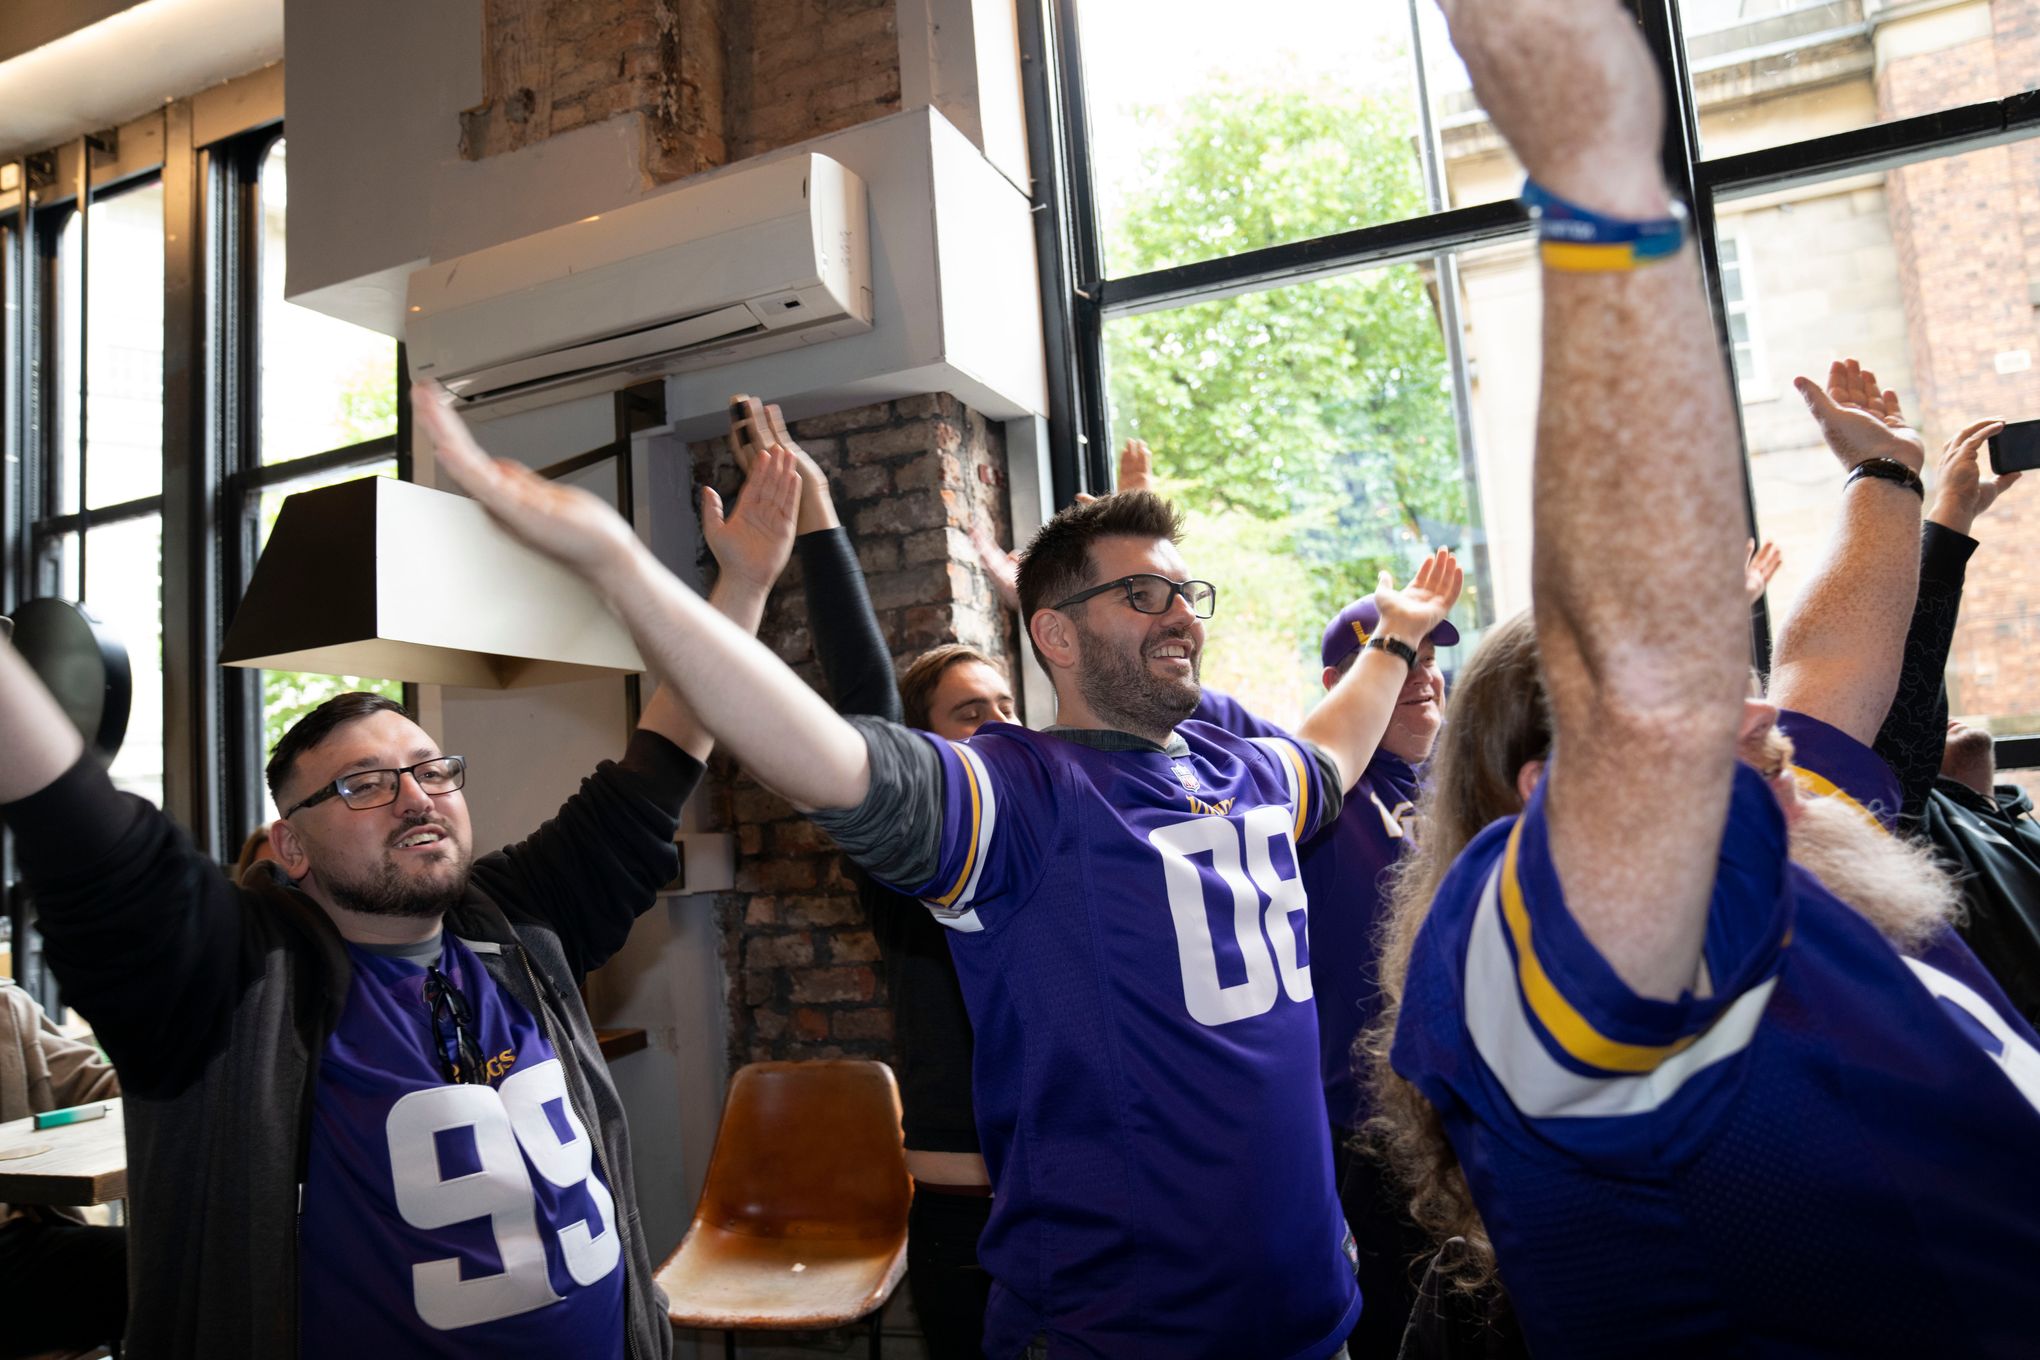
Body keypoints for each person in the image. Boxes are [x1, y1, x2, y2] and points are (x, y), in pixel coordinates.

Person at [414, 380, 1465, 1359]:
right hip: (1123, 1330)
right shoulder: (1023, 794)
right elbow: (829, 757)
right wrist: (624, 569)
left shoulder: (1246, 766)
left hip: (1312, 1312)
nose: (1183, 612)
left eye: (1187, 590)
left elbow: (1336, 741)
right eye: (1143, 594)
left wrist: (1399, 640)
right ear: (1052, 633)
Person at [1374, 2, 2040, 1354]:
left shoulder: (1783, 833)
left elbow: (1826, 669)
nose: (1750, 718)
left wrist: (1886, 477)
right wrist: (1598, 187)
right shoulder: (1534, 948)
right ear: (1553, 793)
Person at [0, 446, 800, 1357]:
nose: (418, 797)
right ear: (290, 845)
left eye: (431, 770)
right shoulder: (240, 987)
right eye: (365, 785)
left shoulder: (514, 922)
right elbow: (101, 856)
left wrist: (742, 584)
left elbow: (657, 766)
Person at [728, 394, 1012, 1355]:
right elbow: (866, 699)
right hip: (965, 1201)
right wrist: (817, 517)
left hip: (1077, 1188)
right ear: (924, 751)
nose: (1003, 723)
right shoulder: (922, 850)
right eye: (974, 713)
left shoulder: (1054, 825)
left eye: (1009, 704)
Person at [0, 976, 125, 1359]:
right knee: (167, 1270)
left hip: (27, 1233)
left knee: (177, 1255)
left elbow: (97, 1086)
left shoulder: (6, 1005)